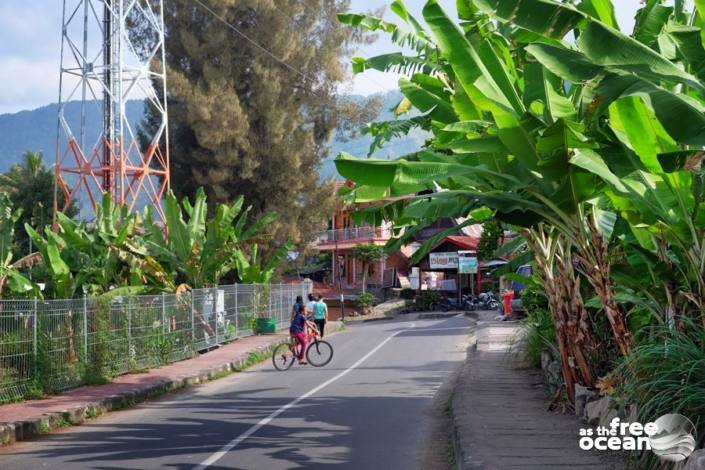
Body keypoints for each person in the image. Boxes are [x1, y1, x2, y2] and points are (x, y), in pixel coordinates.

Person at [290, 296, 307, 364]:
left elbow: (293, 313)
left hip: (295, 324)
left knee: (297, 341)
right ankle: (300, 358)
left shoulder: (295, 305)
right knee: (303, 341)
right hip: (298, 326)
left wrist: (291, 319)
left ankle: (294, 351)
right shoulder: (302, 305)